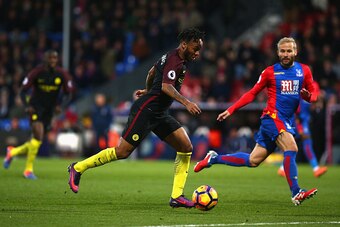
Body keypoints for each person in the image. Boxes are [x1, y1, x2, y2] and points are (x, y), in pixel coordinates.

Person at [68, 28, 204, 208]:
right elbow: (165, 86)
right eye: (195, 48)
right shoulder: (174, 60)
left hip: (159, 113)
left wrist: (148, 90)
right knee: (122, 152)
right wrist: (186, 102)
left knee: (186, 147)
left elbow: (151, 73)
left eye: (199, 49)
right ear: (184, 45)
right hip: (146, 111)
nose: (197, 53)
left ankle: (177, 196)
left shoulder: (174, 58)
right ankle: (78, 168)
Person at [194, 37, 318, 206]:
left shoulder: (304, 70)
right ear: (277, 52)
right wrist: (231, 109)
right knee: (291, 147)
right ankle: (296, 192)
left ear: (295, 52)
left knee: (253, 160)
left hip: (286, 120)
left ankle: (214, 158)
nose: (286, 54)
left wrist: (309, 97)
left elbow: (314, 94)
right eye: (282, 51)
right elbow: (252, 94)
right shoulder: (270, 72)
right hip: (272, 118)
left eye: (289, 51)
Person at [3, 50, 75, 179]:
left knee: (37, 140)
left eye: (55, 58)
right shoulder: (37, 72)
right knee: (38, 134)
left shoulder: (61, 74)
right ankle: (28, 170)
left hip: (49, 111)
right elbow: (23, 91)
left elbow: (68, 93)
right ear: (45, 59)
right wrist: (28, 106)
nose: (53, 60)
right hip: (35, 108)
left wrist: (60, 105)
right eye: (50, 58)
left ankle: (12, 152)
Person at [277, 81, 328, 178]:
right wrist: (299, 126)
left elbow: (314, 102)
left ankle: (282, 168)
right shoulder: (299, 88)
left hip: (303, 120)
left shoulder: (312, 86)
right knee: (305, 142)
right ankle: (316, 169)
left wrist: (318, 102)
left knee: (293, 144)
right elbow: (295, 108)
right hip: (298, 120)